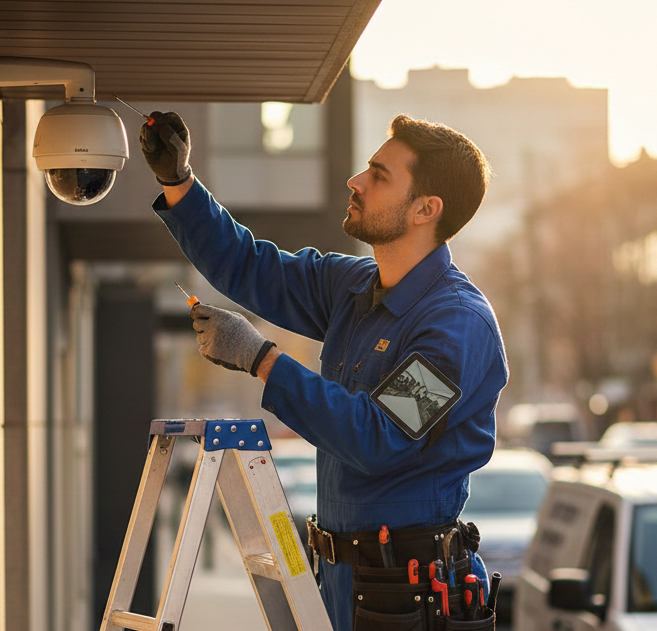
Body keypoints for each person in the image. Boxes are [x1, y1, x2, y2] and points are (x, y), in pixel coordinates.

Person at [140, 110, 508, 631]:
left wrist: (262, 359)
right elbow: (251, 267)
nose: (355, 182)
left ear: (426, 208)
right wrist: (178, 182)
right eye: (367, 169)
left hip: (407, 593)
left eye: (379, 176)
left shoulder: (458, 327)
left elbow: (376, 436)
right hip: (340, 579)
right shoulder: (353, 287)